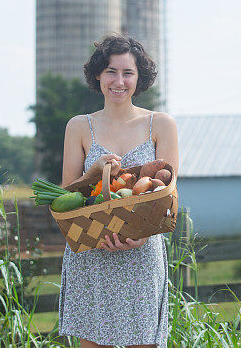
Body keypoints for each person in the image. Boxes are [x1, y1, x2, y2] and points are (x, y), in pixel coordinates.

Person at [57, 33, 179, 348]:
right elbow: (64, 198)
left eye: (128, 73)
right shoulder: (79, 126)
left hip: (141, 252)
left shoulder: (161, 124)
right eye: (111, 71)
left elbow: (169, 196)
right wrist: (94, 173)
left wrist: (143, 235)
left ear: (140, 79)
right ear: (98, 74)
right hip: (91, 252)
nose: (119, 81)